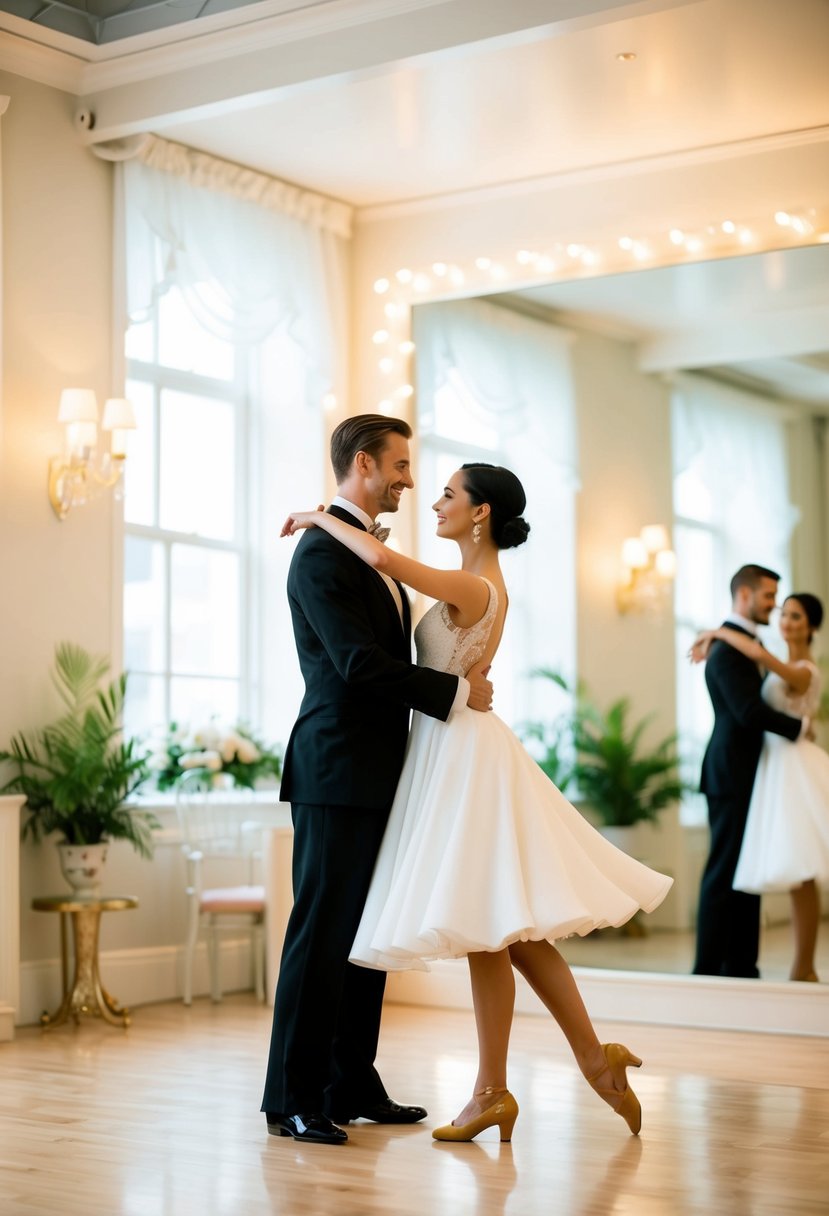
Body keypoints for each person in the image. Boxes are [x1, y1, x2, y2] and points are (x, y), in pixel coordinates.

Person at [282, 462, 673, 1141]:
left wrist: (318, 517)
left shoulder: (472, 582)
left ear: (481, 512)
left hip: (461, 755)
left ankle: (563, 1065)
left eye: (448, 494)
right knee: (496, 931)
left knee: (505, 927)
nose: (433, 501)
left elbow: (376, 553)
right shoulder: (480, 581)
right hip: (447, 747)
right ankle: (520, 1081)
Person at [261, 414, 494, 1147]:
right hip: (334, 769)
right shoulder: (320, 558)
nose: (408, 480)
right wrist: (455, 696)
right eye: (398, 465)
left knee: (364, 933)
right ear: (364, 463)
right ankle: (293, 1098)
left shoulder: (356, 550)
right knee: (320, 934)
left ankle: (351, 1082)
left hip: (380, 770)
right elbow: (358, 665)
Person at [691, 592, 828, 982]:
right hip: (766, 769)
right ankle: (736, 965)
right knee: (767, 864)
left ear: (812, 627)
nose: (786, 620)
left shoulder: (799, 667)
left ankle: (803, 966)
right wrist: (719, 635)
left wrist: (716, 631)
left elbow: (759, 661)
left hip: (790, 767)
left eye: (796, 616)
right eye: (783, 612)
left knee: (803, 868)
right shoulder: (774, 660)